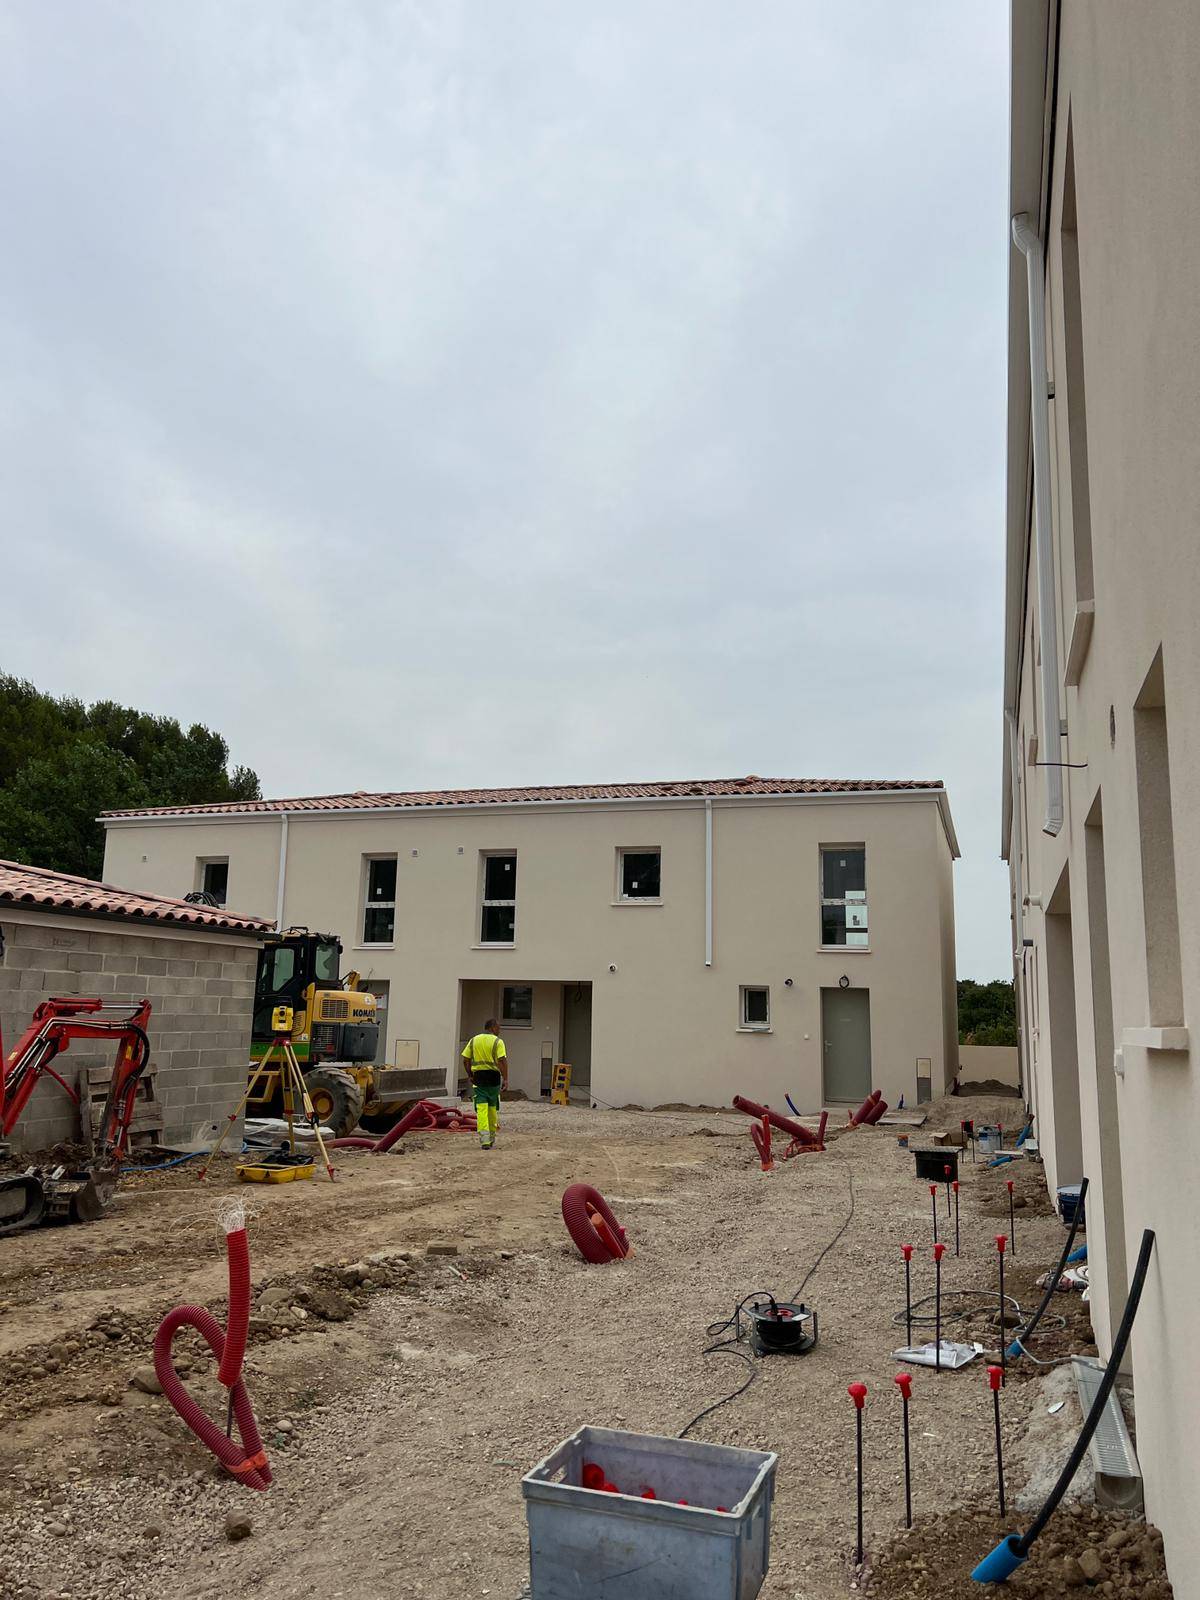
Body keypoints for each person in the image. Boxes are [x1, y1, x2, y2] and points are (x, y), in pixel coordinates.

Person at [462, 1018, 507, 1150]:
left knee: (481, 1108)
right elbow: (502, 1060)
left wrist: (470, 1075)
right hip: (494, 1078)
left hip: (479, 1078)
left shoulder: (473, 1040)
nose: (499, 1030)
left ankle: (484, 1140)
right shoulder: (498, 1042)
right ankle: (492, 1137)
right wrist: (506, 1078)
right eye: (498, 1027)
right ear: (492, 1027)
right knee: (492, 1107)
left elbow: (465, 1060)